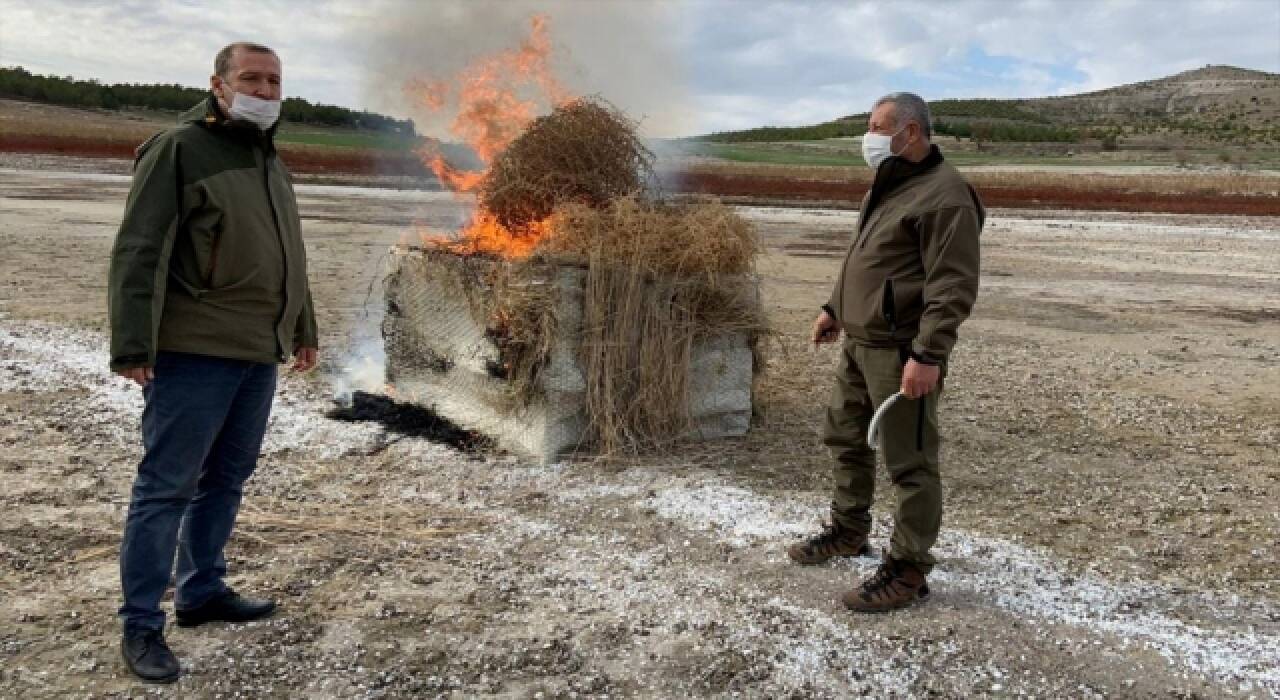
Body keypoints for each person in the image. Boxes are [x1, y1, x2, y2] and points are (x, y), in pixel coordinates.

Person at [107, 41, 318, 682]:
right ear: (219, 85)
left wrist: (303, 327)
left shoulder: (268, 158)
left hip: (257, 351)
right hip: (194, 349)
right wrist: (133, 344)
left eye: (274, 79)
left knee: (227, 479)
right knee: (165, 487)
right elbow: (140, 248)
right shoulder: (178, 148)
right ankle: (142, 626)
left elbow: (291, 252)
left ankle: (201, 592)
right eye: (251, 77)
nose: (265, 88)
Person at [787, 92, 983, 613]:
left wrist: (929, 355)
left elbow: (953, 286)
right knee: (846, 438)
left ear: (912, 131)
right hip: (860, 340)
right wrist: (835, 306)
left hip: (902, 352)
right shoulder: (890, 182)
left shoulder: (947, 196)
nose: (868, 136)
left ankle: (909, 569)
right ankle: (849, 530)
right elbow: (865, 256)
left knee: (910, 462)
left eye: (877, 126)